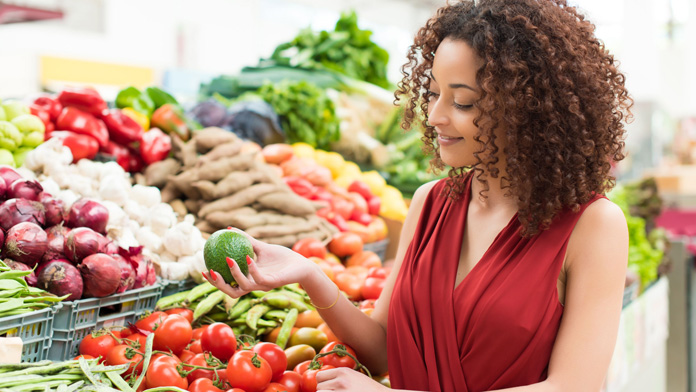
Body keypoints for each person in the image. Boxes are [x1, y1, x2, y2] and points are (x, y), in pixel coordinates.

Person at [202, 0, 632, 390]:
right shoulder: (431, 202)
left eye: (462, 102)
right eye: (432, 95)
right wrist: (309, 273)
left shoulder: (592, 225)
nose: (434, 115)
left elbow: (572, 387)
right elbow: (382, 352)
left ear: (527, 107)